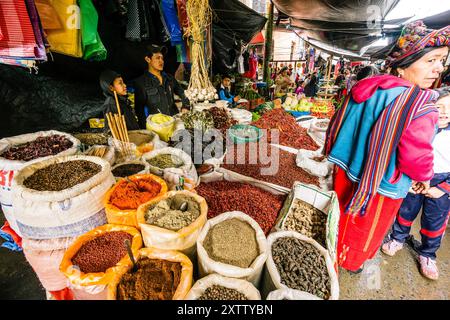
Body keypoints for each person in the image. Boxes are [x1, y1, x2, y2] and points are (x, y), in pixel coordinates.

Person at [323, 21, 449, 273]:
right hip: (380, 183)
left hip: (346, 168)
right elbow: (416, 155)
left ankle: (330, 249)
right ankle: (348, 262)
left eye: (442, 61)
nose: (438, 69)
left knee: (339, 215)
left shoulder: (370, 86)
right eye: (430, 61)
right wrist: (424, 178)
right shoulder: (419, 103)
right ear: (403, 65)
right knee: (365, 227)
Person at [382, 86, 450, 280]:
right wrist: (409, 177)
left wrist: (443, 189)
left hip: (442, 182)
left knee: (435, 221)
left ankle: (428, 254)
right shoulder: (422, 128)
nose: (445, 111)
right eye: (439, 106)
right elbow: (409, 153)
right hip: (415, 178)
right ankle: (397, 238)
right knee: (405, 211)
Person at [134, 44, 190, 129]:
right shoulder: (141, 83)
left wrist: (185, 106)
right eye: (157, 58)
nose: (161, 61)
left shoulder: (169, 78)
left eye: (162, 58)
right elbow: (139, 110)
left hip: (174, 123)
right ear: (148, 59)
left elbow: (183, 93)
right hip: (157, 127)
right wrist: (145, 129)